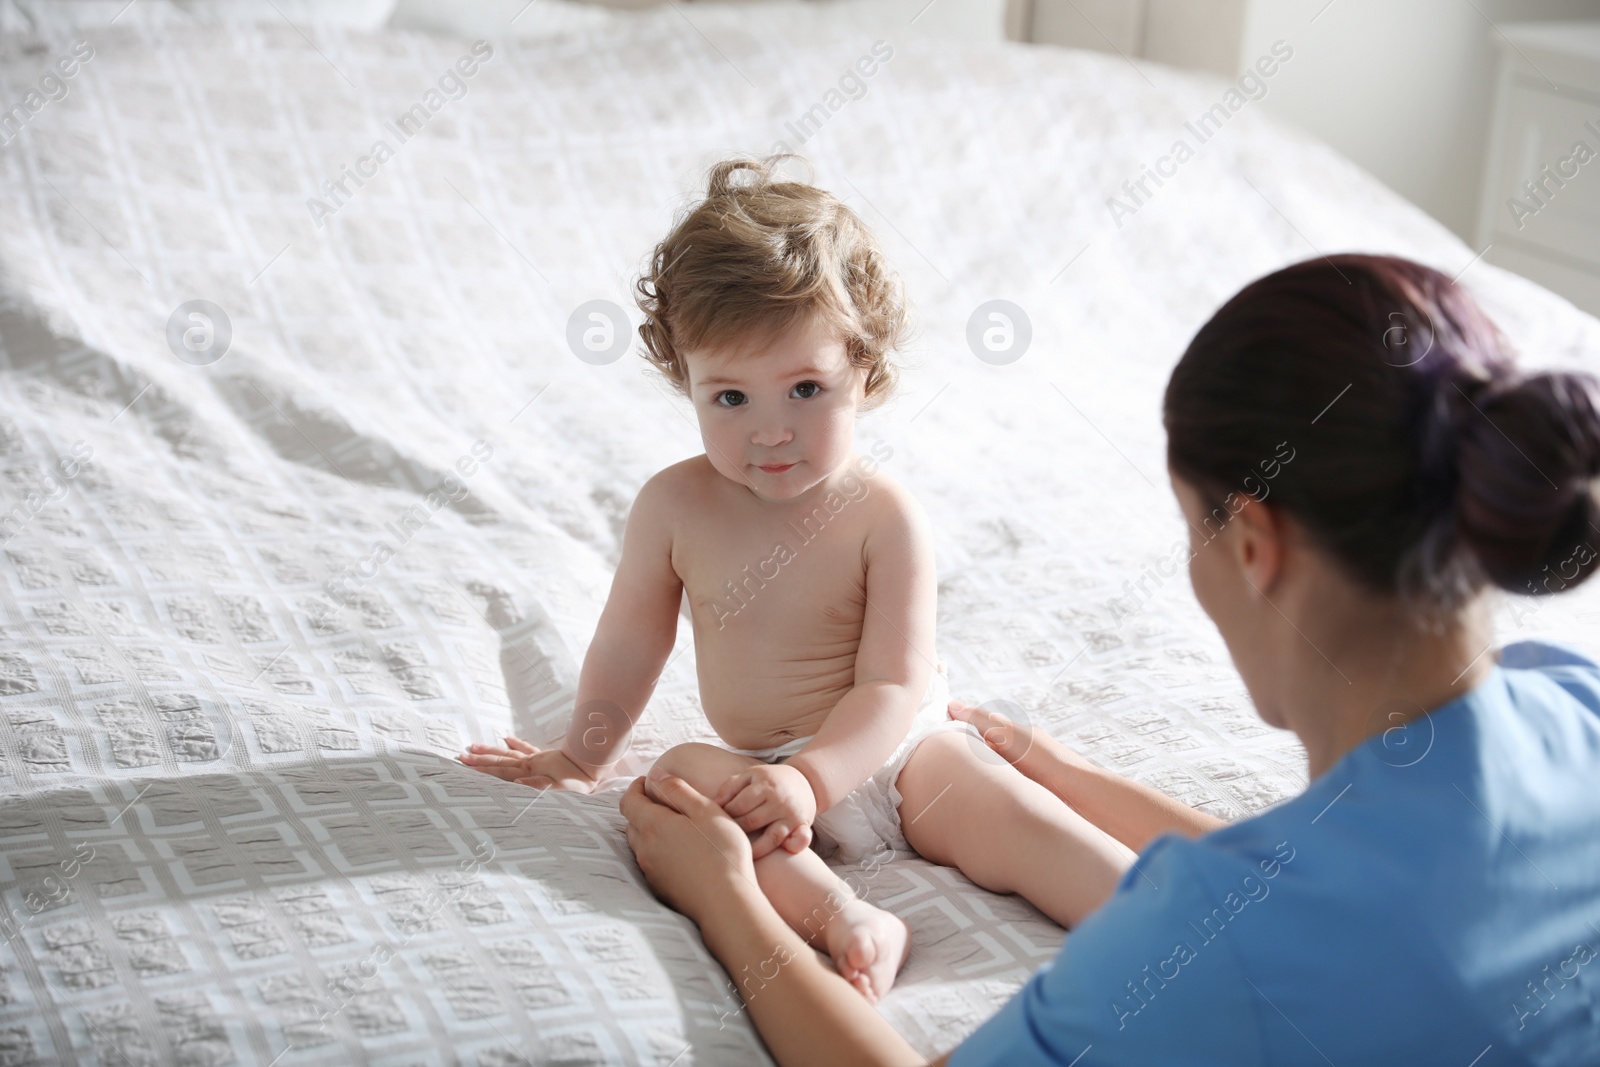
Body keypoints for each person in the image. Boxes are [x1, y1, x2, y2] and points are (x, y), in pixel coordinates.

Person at [621, 253, 1600, 1064]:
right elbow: (1343, 867)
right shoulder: (1571, 698)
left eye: (1191, 528)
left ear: (1253, 546)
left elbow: (1276, 902)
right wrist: (1069, 773)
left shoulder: (1206, 938)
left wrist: (725, 895)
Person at [458, 155, 1134, 1004]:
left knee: (1011, 821)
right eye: (729, 398)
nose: (769, 432)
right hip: (759, 764)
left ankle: (1167, 913)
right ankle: (852, 921)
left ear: (867, 370)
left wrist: (811, 780)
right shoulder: (673, 506)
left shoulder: (883, 516)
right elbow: (632, 640)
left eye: (806, 388)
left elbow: (893, 681)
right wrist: (578, 755)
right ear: (686, 381)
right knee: (673, 782)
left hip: (896, 755)